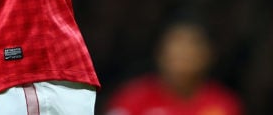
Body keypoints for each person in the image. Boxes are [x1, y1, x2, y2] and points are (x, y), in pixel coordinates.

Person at [104, 19, 244, 115]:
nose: (182, 54)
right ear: (160, 53)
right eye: (176, 46)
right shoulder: (132, 98)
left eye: (191, 46)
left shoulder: (222, 105)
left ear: (208, 55)